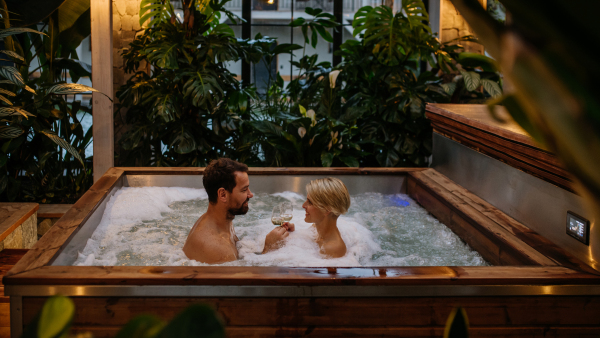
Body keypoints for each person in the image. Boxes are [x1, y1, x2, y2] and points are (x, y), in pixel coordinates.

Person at [183, 158, 293, 263]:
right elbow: (247, 280)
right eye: (244, 190)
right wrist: (268, 250)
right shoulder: (216, 248)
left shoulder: (222, 221)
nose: (250, 194)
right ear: (223, 194)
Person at [302, 177, 350, 258]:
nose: (303, 205)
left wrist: (273, 245)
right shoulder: (317, 228)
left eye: (310, 202)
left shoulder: (332, 249)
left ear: (327, 209)